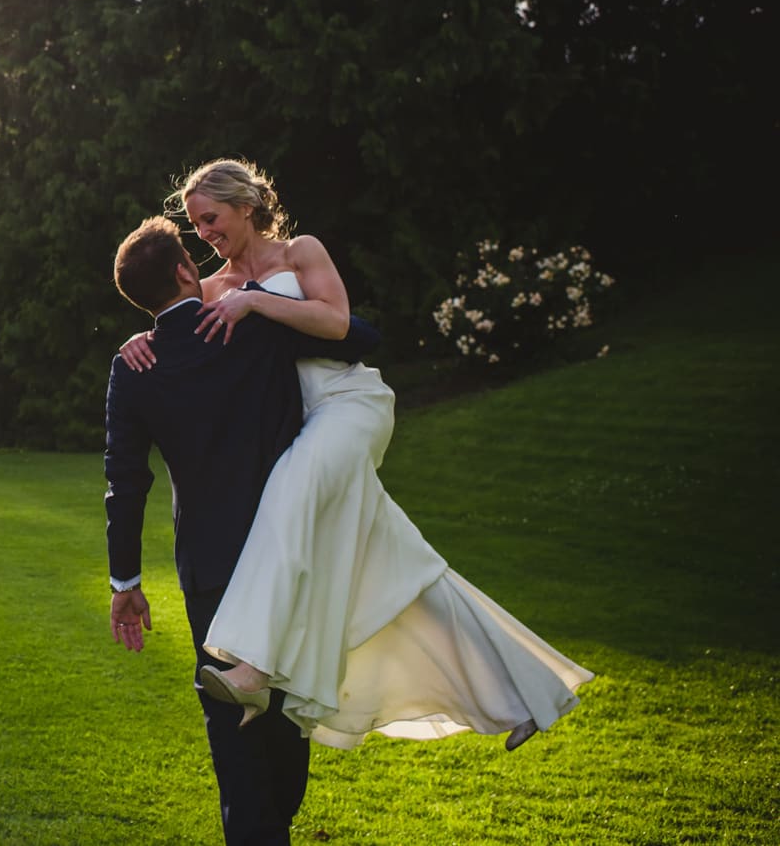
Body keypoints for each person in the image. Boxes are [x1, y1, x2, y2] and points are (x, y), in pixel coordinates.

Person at [117, 158, 592, 753]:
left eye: (210, 218)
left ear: (244, 205)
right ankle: (527, 695)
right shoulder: (212, 287)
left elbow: (339, 322)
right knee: (405, 570)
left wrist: (259, 303)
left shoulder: (300, 253)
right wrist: (139, 339)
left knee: (285, 490)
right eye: (195, 227)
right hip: (301, 423)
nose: (205, 234)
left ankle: (255, 669)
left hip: (346, 404)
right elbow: (178, 321)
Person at [106, 215, 384, 845]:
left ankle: (261, 832)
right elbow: (359, 339)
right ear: (184, 272)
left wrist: (126, 580)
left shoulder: (134, 365)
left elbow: (126, 482)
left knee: (234, 730)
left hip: (208, 567)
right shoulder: (253, 328)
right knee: (279, 717)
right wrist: (267, 305)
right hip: (286, 556)